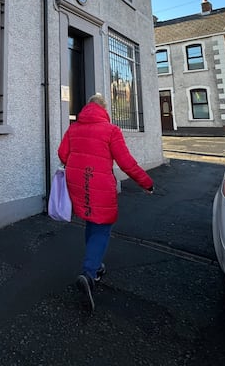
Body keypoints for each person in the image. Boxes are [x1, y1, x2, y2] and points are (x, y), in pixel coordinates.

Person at [57, 93, 154, 312]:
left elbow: (63, 154)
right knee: (102, 226)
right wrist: (146, 183)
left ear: (87, 107)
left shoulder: (74, 128)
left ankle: (96, 265)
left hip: (78, 181)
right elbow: (126, 162)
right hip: (99, 183)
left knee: (92, 220)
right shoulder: (111, 130)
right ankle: (89, 274)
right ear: (104, 109)